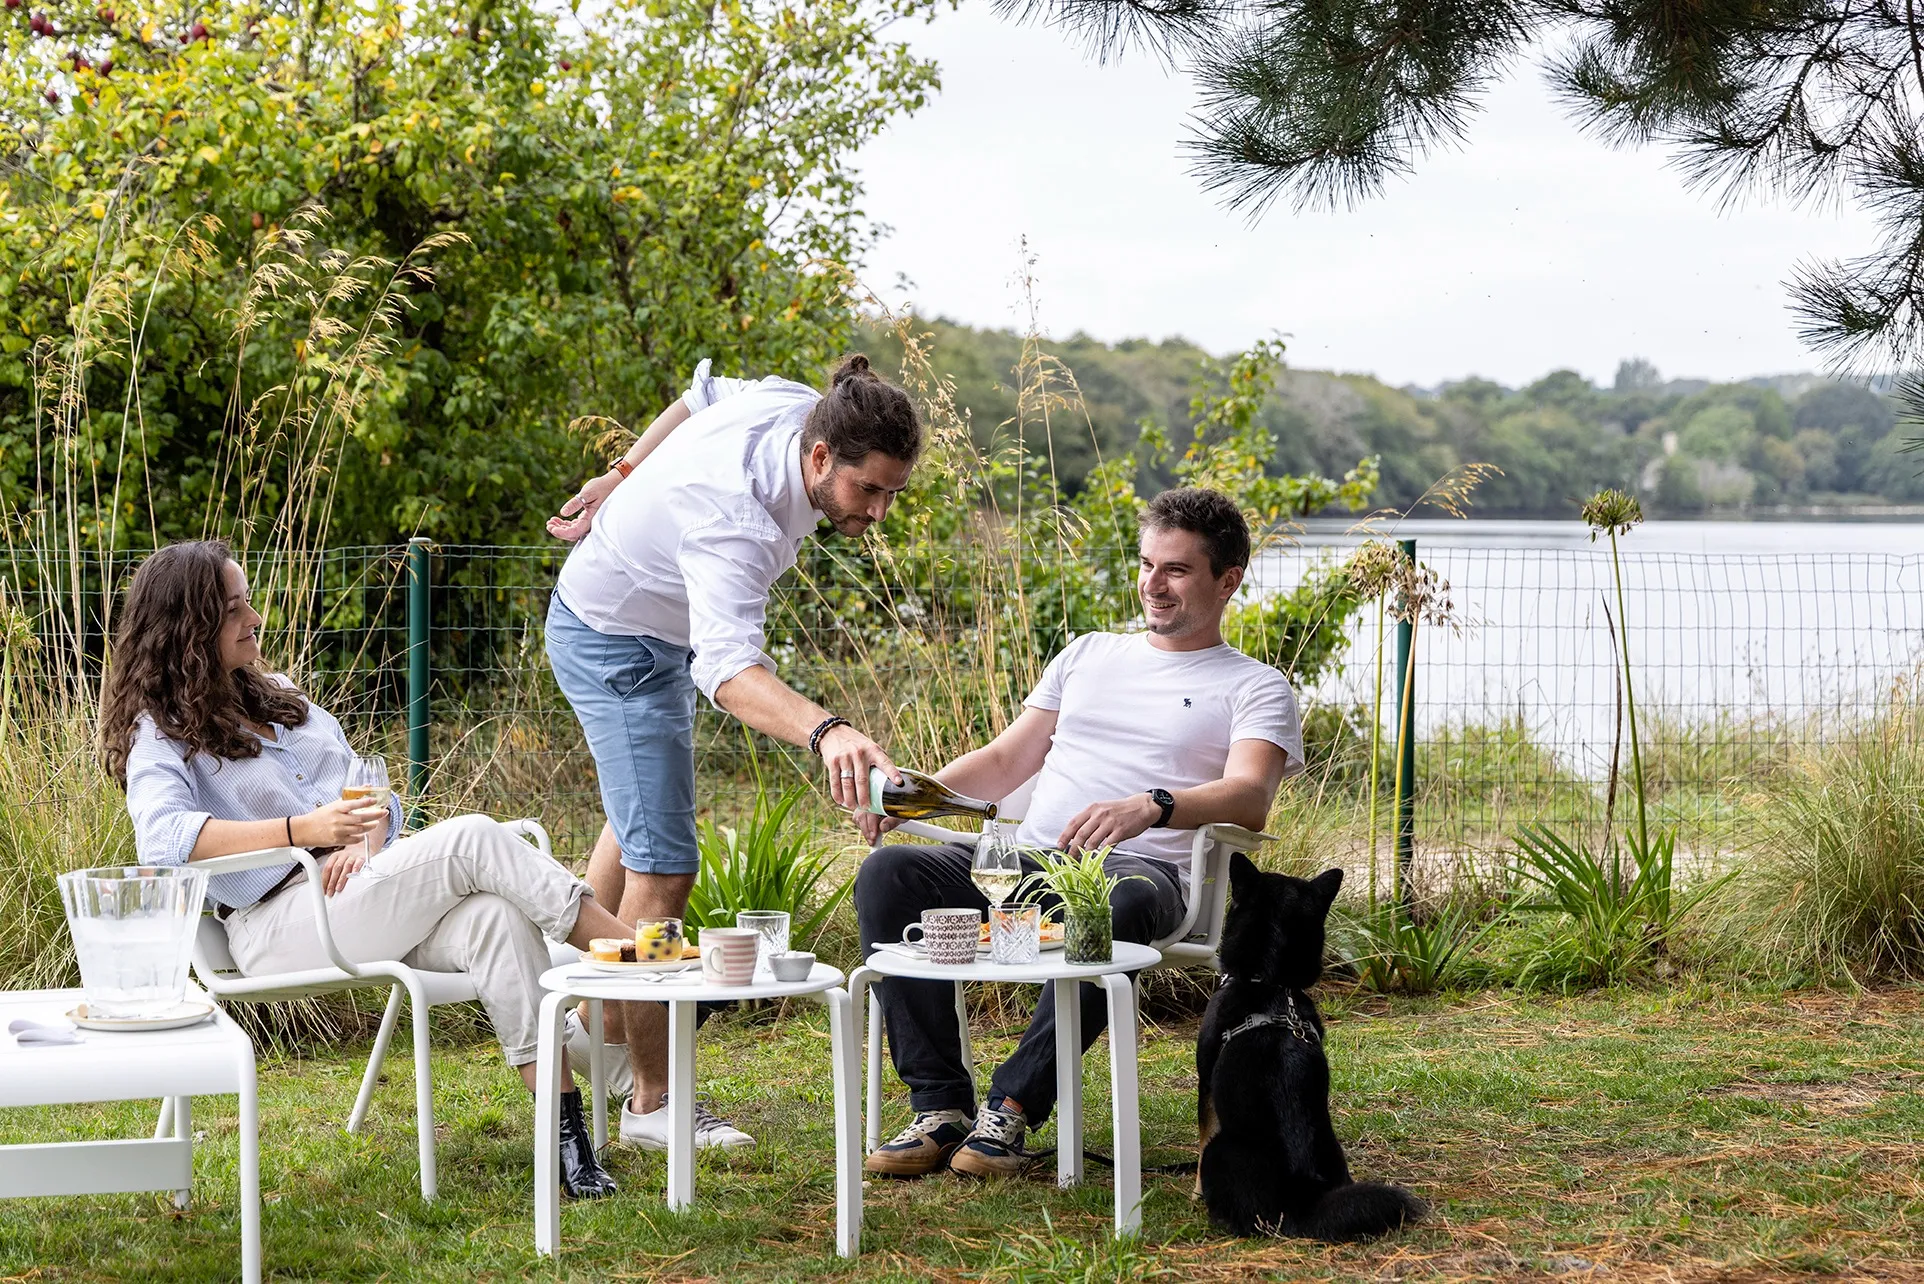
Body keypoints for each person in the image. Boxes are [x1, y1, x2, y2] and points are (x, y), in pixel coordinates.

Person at [101, 540, 634, 1199]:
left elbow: (369, 787)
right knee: (471, 838)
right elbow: (164, 840)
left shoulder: (280, 697)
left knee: (494, 920)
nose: (255, 618)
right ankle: (634, 963)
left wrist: (368, 836)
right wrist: (307, 831)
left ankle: (569, 1146)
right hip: (279, 923)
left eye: (248, 601)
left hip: (364, 895)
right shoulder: (161, 732)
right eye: (233, 608)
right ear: (189, 625)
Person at [853, 487, 1303, 1178]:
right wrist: (915, 799)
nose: (1153, 584)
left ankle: (1010, 1110)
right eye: (1147, 563)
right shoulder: (1089, 653)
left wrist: (1153, 804)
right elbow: (1007, 760)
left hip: (1138, 876)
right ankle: (941, 1108)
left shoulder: (1254, 685)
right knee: (890, 874)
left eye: (1176, 570)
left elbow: (1249, 797)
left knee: (1106, 903)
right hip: (1025, 860)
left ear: (1228, 580)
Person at [545, 353, 922, 1150]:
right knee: (666, 863)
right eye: (870, 490)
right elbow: (728, 671)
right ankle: (652, 1105)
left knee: (641, 818)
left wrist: (624, 471)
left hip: (644, 626)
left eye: (893, 491)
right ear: (822, 459)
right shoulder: (737, 521)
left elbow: (697, 393)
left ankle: (590, 1027)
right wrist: (830, 731)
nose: (880, 511)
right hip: (616, 642)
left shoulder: (800, 407)